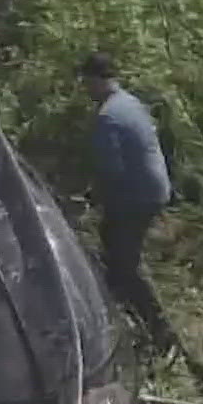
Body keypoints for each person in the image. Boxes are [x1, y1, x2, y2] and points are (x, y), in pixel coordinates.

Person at [77, 52, 176, 355]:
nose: (85, 89)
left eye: (86, 82)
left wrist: (89, 201)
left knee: (123, 263)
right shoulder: (132, 103)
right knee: (114, 250)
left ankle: (161, 332)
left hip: (135, 195)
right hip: (154, 189)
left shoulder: (108, 117)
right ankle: (120, 319)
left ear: (95, 80)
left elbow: (112, 172)